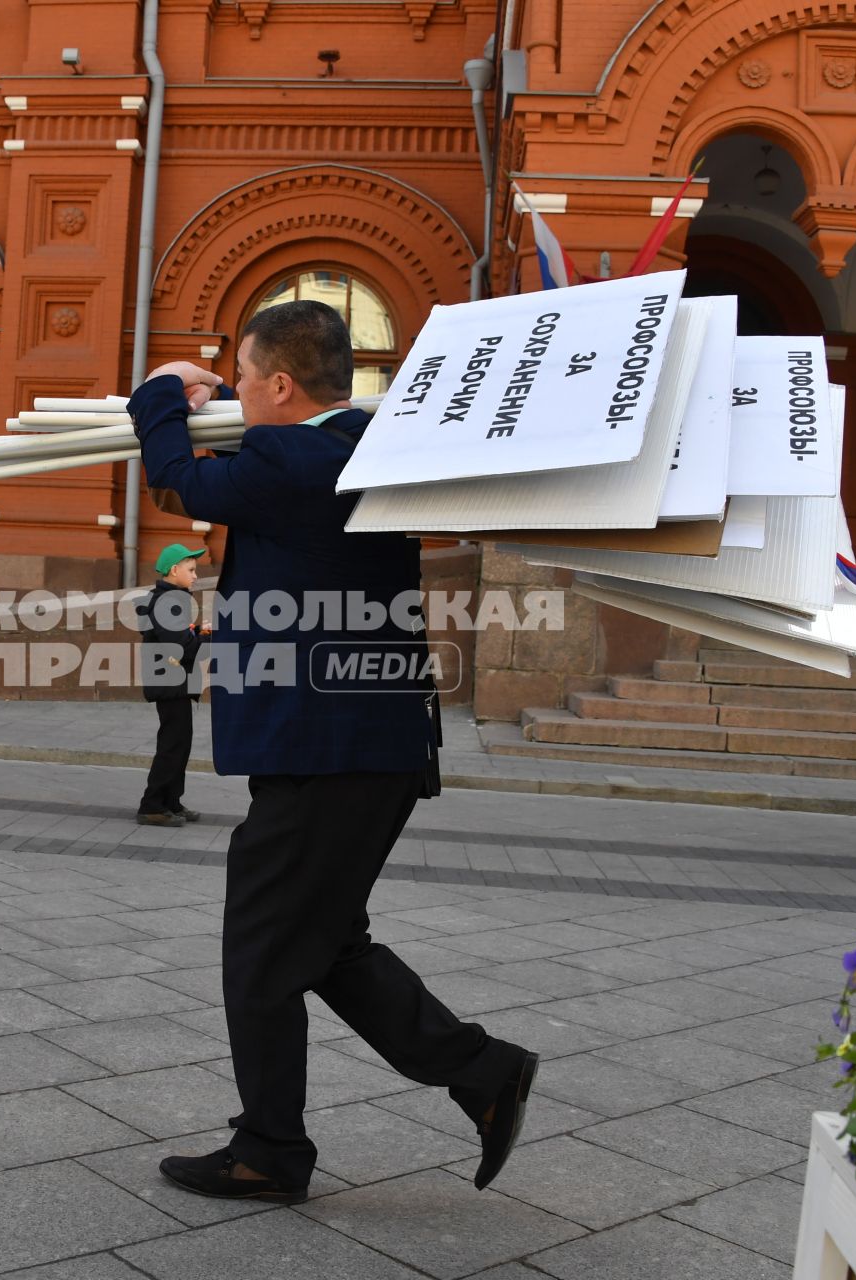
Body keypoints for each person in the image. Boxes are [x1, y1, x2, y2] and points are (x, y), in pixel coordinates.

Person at [127, 300, 535, 1204]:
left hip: (329, 749)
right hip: (363, 747)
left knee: (261, 954)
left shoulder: (301, 455)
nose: (230, 389)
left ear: (278, 384)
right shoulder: (361, 452)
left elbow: (177, 480)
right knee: (322, 943)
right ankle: (483, 1072)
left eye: (238, 374)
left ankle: (271, 1151)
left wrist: (159, 391)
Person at [136, 543, 208, 827]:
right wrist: (213, 640)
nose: (195, 575)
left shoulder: (171, 599)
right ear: (174, 570)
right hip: (169, 679)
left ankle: (171, 802)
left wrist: (199, 632)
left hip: (174, 680)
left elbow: (180, 637)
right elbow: (183, 646)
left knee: (179, 744)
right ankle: (152, 805)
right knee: (172, 745)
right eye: (190, 570)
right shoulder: (167, 602)